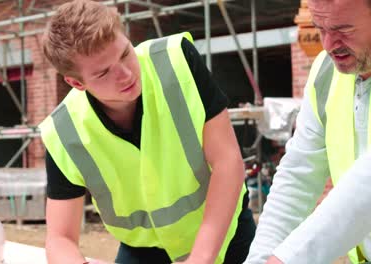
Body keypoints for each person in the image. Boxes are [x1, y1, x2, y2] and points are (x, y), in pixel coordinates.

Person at [39, 0, 256, 263]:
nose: (125, 74)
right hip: (144, 252)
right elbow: (60, 238)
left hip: (225, 233)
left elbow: (227, 161)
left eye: (124, 54)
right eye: (104, 72)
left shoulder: (177, 61)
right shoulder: (63, 132)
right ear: (76, 83)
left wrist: (200, 258)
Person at [245, 0, 371, 263]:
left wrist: (287, 259)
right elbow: (298, 176)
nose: (329, 44)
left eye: (343, 29)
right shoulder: (326, 72)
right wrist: (260, 259)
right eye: (320, 28)